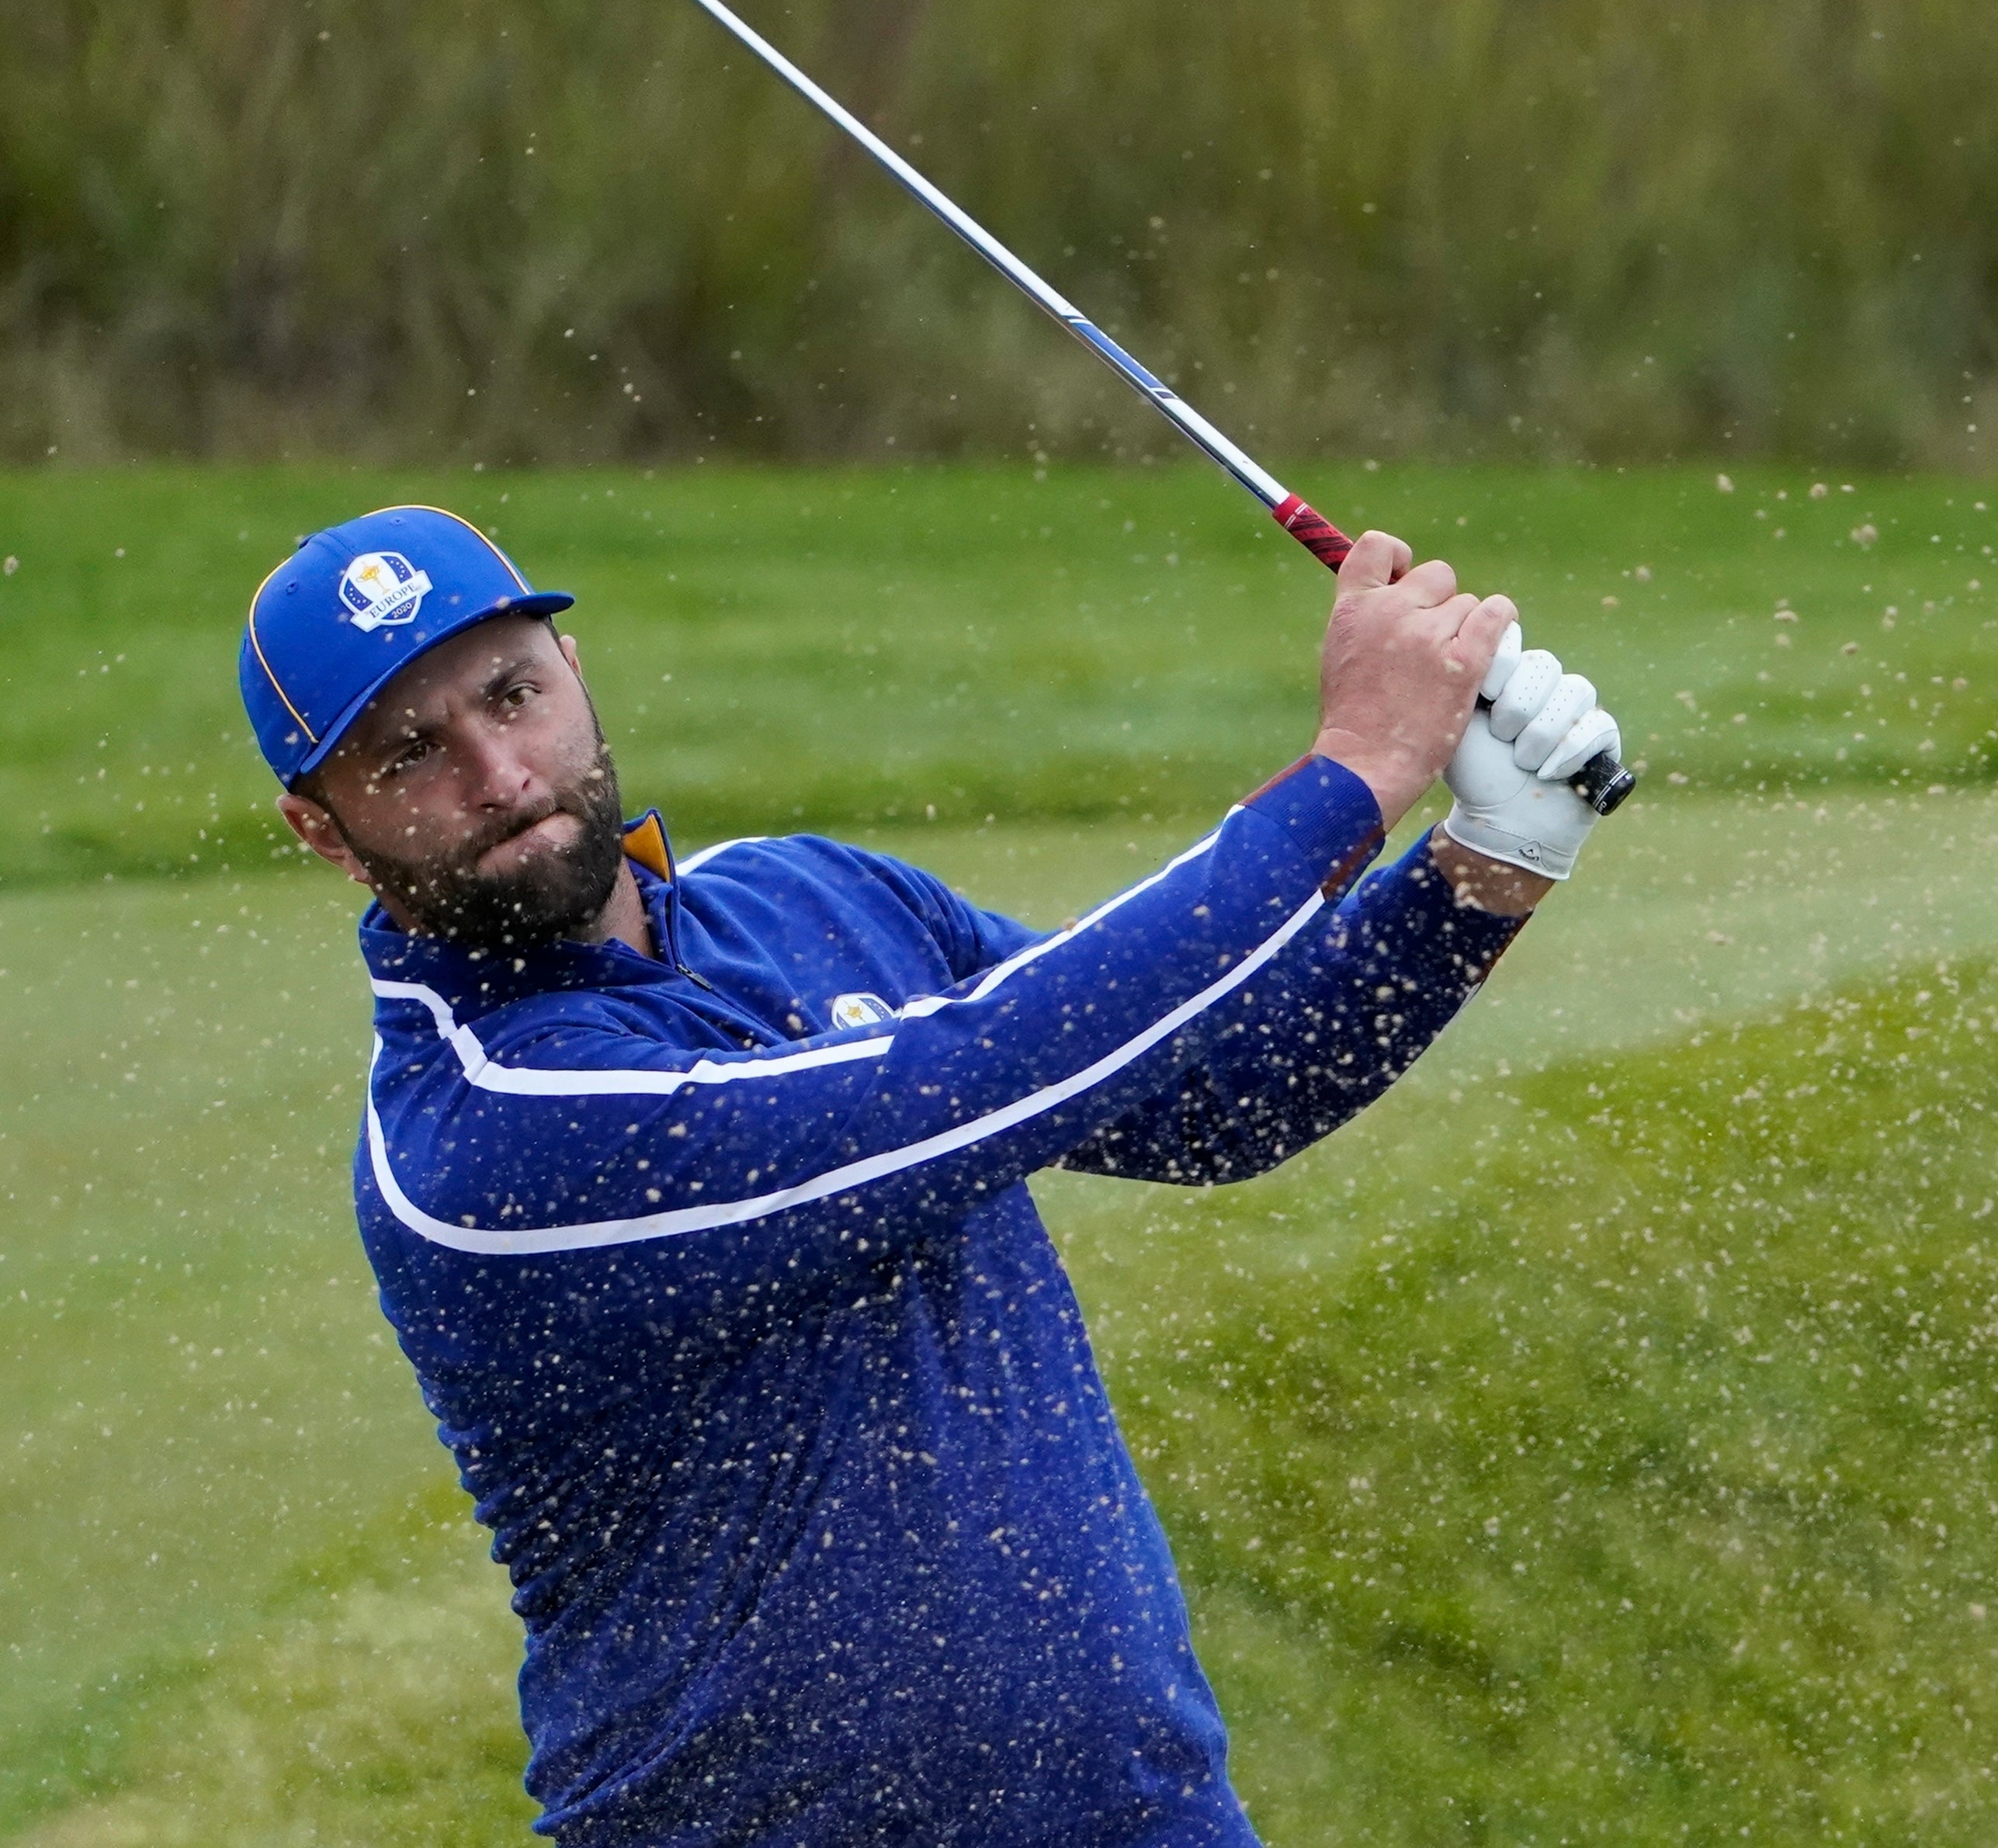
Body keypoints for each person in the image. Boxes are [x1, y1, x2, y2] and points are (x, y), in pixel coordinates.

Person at [235, 502, 1622, 1845]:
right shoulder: (485, 1138)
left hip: (1140, 1812)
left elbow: (1214, 1094)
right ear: (323, 827)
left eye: (513, 693)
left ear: (576, 674)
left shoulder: (811, 898)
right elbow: (973, 1079)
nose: (502, 774)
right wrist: (1354, 770)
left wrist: (1488, 861)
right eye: (413, 752)